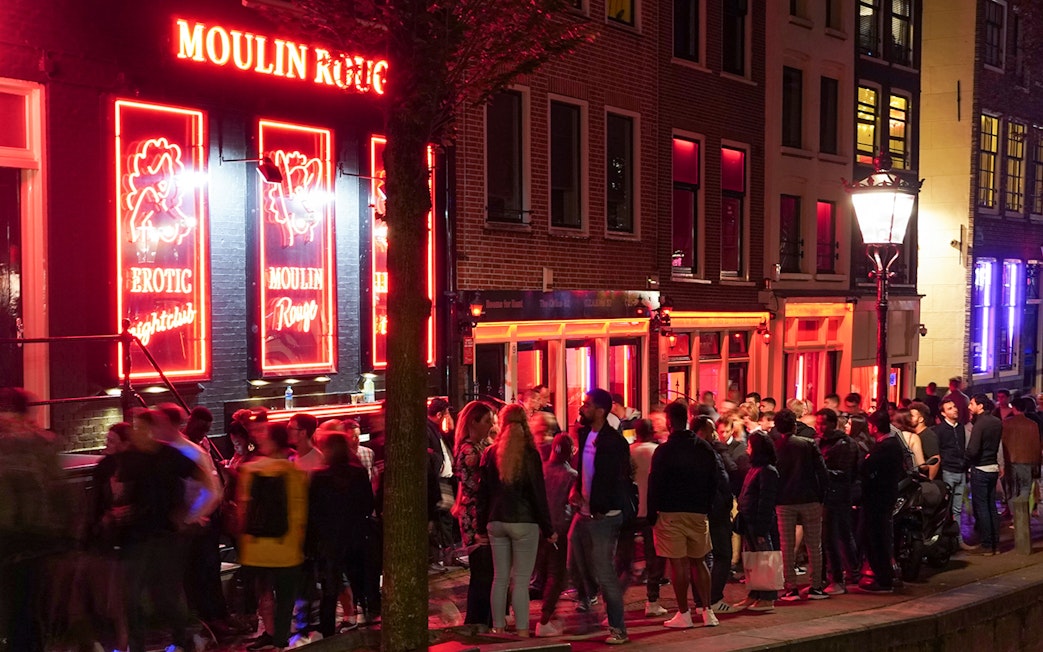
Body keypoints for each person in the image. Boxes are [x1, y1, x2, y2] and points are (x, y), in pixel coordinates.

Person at [111, 408, 213, 652]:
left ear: (150, 429)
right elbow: (120, 490)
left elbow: (205, 481)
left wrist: (190, 514)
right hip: (136, 534)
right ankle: (140, 646)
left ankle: (183, 639)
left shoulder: (170, 455)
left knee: (165, 592)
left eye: (139, 427)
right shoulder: (131, 457)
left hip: (164, 534)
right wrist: (120, 508)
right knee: (132, 594)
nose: (136, 432)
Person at [476, 404, 554, 637]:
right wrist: (548, 528)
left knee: (499, 578)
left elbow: (483, 494)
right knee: (520, 580)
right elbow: (538, 494)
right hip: (524, 521)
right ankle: (521, 629)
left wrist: (481, 526)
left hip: (496, 520)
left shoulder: (490, 453)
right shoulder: (530, 454)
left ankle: (498, 626)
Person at [568, 388, 633, 645]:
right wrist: (576, 490)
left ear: (600, 410)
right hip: (584, 510)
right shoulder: (586, 435)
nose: (582, 408)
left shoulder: (613, 442)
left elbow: (612, 479)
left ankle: (618, 627)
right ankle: (589, 596)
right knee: (573, 556)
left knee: (604, 569)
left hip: (603, 514)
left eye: (587, 405)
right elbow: (584, 471)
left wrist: (599, 507)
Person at [647, 403, 721, 629]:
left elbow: (655, 484)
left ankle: (684, 613)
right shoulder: (704, 449)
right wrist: (706, 506)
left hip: (671, 512)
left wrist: (652, 514)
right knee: (699, 562)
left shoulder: (664, 451)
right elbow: (714, 480)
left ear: (669, 422)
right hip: (698, 511)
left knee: (678, 564)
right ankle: (708, 611)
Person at [238, 422, 309, 650]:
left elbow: (243, 509)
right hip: (286, 547)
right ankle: (280, 641)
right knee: (286, 598)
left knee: (264, 594)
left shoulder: (250, 470)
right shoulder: (292, 471)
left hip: (256, 548)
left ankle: (267, 633)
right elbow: (299, 513)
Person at [307, 431, 374, 638]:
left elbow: (313, 511)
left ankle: (327, 629)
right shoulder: (358, 472)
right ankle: (366, 618)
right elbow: (367, 503)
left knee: (330, 587)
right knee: (358, 579)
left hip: (329, 538)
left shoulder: (320, 476)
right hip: (354, 535)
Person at [773, 408, 830, 601]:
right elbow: (822, 472)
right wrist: (822, 496)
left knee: (786, 545)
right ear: (795, 425)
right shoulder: (808, 444)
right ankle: (815, 586)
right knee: (814, 544)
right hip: (809, 497)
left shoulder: (776, 446)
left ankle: (790, 588)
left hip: (784, 500)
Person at [451, 400, 497, 627]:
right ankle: (477, 621)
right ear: (473, 422)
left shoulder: (482, 446)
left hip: (479, 514)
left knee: (486, 571)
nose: (492, 425)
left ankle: (482, 619)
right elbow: (476, 487)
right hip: (474, 517)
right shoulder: (469, 451)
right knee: (482, 571)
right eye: (487, 420)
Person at [617, 418, 668, 618]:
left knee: (624, 557)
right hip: (652, 510)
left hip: (631, 510)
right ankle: (652, 600)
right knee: (654, 557)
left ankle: (616, 599)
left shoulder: (629, 452)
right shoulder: (657, 451)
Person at [535, 432, 577, 637]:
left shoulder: (541, 470)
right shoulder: (571, 475)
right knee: (557, 575)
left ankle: (542, 617)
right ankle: (544, 620)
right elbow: (573, 503)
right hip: (560, 529)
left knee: (539, 574)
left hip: (540, 528)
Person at [733, 431, 780, 612]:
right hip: (749, 521)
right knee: (753, 560)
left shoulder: (767, 471)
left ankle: (767, 597)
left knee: (764, 559)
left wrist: (761, 529)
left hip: (758, 523)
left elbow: (766, 502)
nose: (747, 448)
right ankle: (754, 594)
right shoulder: (756, 468)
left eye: (750, 446)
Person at [858, 410, 905, 593]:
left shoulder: (885, 447)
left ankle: (883, 579)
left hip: (878, 499)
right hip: (884, 497)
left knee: (877, 538)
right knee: (879, 536)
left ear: (875, 427)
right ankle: (884, 576)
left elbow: (867, 468)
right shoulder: (892, 445)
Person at [815, 409, 860, 595]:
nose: (819, 427)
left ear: (833, 424)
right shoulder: (822, 442)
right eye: (818, 423)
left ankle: (840, 577)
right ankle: (851, 571)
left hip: (838, 495)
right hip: (830, 494)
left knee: (833, 536)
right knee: (840, 534)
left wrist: (821, 470)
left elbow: (845, 472)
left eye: (823, 423)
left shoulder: (844, 444)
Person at [934, 398, 973, 550]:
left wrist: (965, 466)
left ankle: (958, 541)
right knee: (946, 508)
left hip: (960, 471)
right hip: (948, 471)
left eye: (954, 406)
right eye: (949, 408)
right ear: (943, 413)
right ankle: (943, 542)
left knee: (957, 509)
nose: (954, 410)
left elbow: (962, 448)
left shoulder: (960, 428)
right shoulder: (939, 430)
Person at [967, 394, 1003, 555]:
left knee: (981, 507)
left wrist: (965, 458)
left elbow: (973, 450)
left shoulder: (980, 424)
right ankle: (996, 543)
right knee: (991, 506)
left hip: (980, 468)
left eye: (972, 403)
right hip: (993, 468)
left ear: (980, 406)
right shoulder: (997, 422)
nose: (969, 406)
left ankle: (987, 544)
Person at [427, 398, 456, 572]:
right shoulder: (428, 429)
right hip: (438, 481)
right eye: (446, 414)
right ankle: (436, 557)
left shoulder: (435, 429)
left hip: (443, 480)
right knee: (438, 519)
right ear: (439, 414)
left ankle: (447, 555)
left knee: (445, 517)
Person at [1003, 398, 1042, 502]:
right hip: (1027, 462)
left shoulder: (1006, 423)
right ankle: (1022, 515)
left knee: (1012, 489)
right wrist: (1037, 464)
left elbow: (1002, 443)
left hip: (1011, 461)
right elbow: (1036, 446)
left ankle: (1014, 515)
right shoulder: (1032, 424)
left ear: (1014, 408)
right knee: (1025, 488)